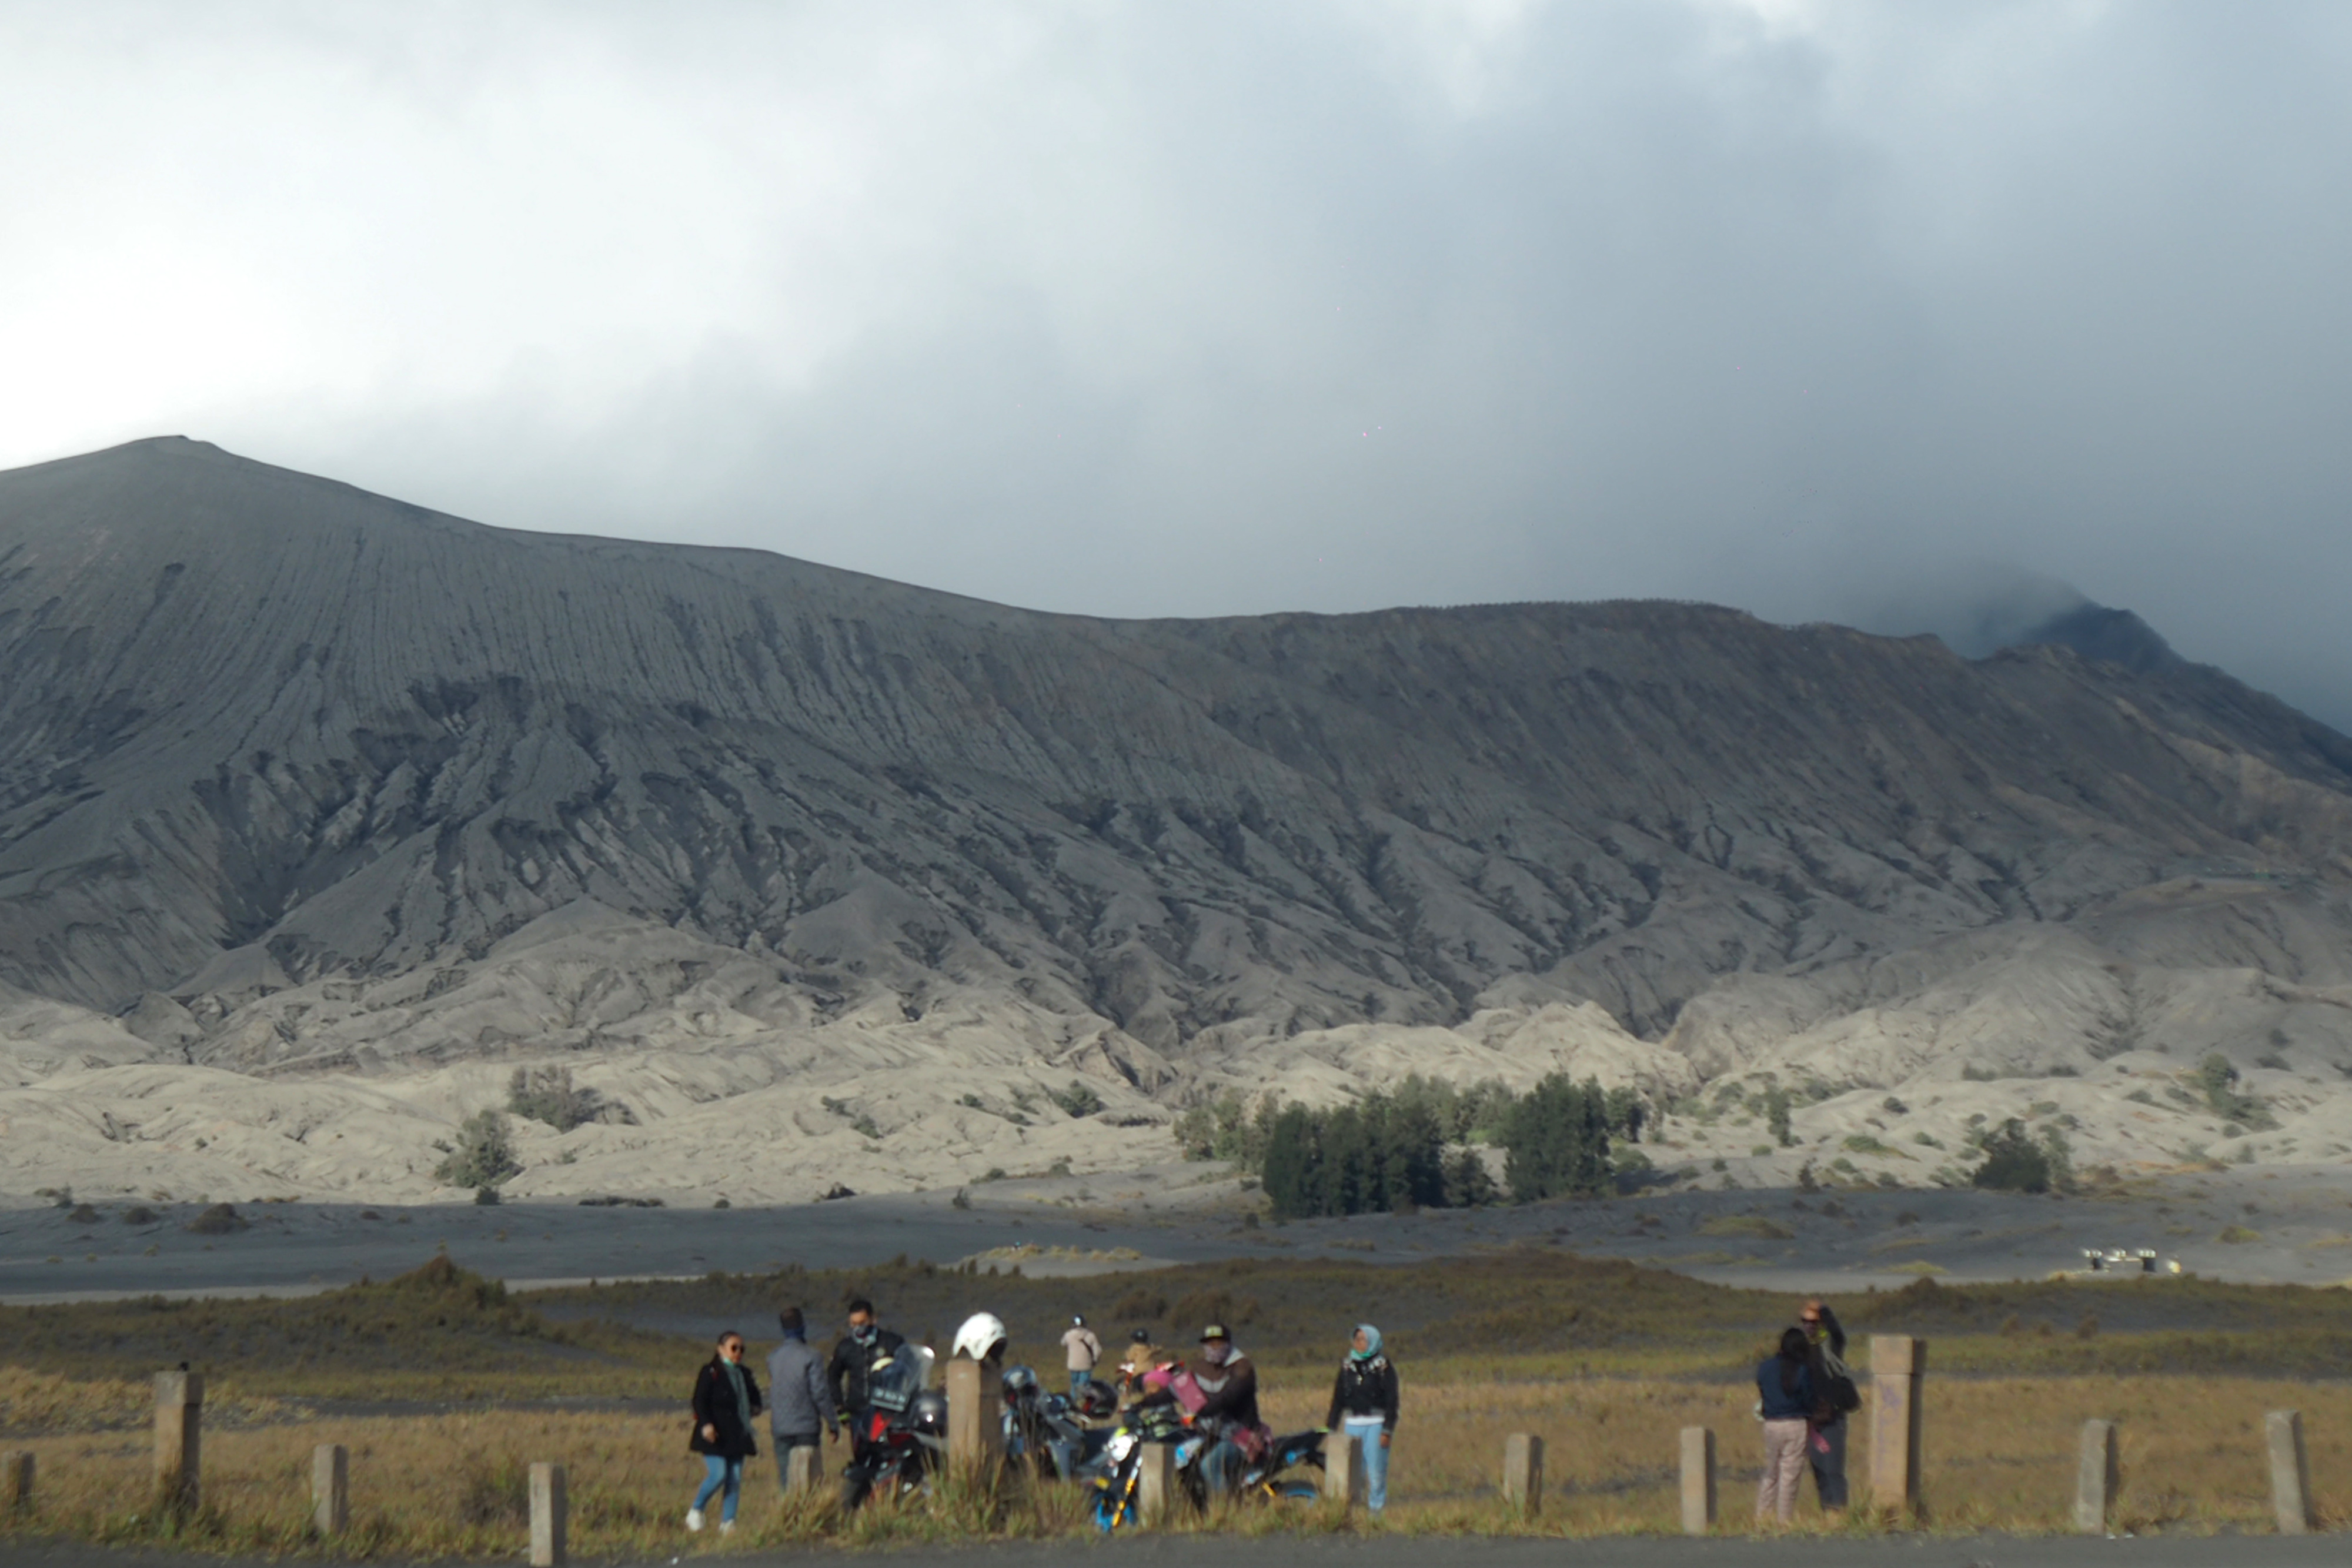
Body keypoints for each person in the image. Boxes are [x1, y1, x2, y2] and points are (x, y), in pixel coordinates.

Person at [687, 1330, 764, 1534]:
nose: (738, 1352)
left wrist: (754, 1408)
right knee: (719, 1473)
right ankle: (697, 1509)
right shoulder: (710, 1371)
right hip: (715, 1434)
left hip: (738, 1433)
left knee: (735, 1478)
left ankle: (728, 1523)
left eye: (742, 1349)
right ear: (721, 1349)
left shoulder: (745, 1374)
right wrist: (706, 1424)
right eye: (733, 1348)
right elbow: (699, 1400)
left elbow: (756, 1398)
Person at [1324, 1323, 1399, 1512]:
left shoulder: (1383, 1367)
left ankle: (1376, 1512)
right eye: (1357, 1339)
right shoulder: (1347, 1366)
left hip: (1376, 1424)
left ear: (1373, 1342)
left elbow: (1392, 1400)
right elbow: (1338, 1399)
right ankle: (1353, 1511)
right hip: (1352, 1424)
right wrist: (1330, 1428)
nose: (1359, 1343)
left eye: (1363, 1340)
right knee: (1353, 1472)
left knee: (1376, 1472)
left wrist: (1387, 1429)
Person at [766, 1306, 837, 1489]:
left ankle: (788, 1516)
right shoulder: (812, 1356)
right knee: (809, 1482)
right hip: (805, 1427)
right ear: (803, 1326)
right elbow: (819, 1393)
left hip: (781, 1426)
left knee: (787, 1481)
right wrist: (832, 1422)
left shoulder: (773, 1357)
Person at [1187, 1323, 1261, 1497]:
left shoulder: (1242, 1367)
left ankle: (1225, 1512)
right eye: (1210, 1344)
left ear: (1228, 1344)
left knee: (1211, 1466)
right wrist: (1143, 1403)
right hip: (1213, 1434)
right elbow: (1179, 1388)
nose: (1214, 1348)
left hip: (1242, 1435)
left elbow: (1227, 1398)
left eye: (1219, 1343)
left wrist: (1201, 1411)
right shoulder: (1200, 1367)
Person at [1755, 1326, 1814, 1524]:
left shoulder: (1765, 1367)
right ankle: (1784, 1521)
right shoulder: (1802, 1369)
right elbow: (1808, 1397)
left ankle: (1762, 1518)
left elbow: (1762, 1390)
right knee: (1790, 1476)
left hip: (1771, 1424)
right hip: (1796, 1424)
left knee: (1770, 1473)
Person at [827, 1297, 907, 1440]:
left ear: (873, 1320)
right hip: (858, 1413)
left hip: (888, 1412)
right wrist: (840, 1408)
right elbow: (833, 1376)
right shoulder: (846, 1347)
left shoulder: (892, 1342)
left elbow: (908, 1370)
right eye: (854, 1324)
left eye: (862, 1323)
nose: (858, 1328)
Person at [1800, 1298, 1850, 1510]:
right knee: (1819, 1471)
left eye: (1814, 1322)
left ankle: (1839, 1512)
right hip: (1811, 1421)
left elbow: (1839, 1336)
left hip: (1832, 1418)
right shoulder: (1800, 1350)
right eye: (1806, 1321)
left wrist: (1825, 1312)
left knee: (1833, 1470)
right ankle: (1827, 1513)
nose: (1809, 1325)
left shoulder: (1830, 1348)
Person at [1060, 1313, 1102, 1398]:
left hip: (1073, 1365)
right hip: (1086, 1365)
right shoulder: (1090, 1336)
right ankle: (1082, 1404)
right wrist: (1095, 1360)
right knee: (1084, 1387)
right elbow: (1098, 1351)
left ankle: (1073, 1402)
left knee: (1074, 1386)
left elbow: (1063, 1343)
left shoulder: (1068, 1335)